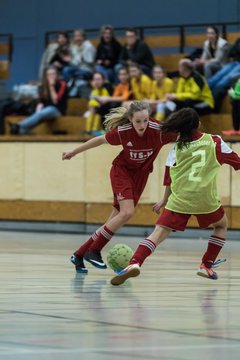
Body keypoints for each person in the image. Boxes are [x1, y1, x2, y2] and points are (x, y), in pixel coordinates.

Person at [111, 107, 240, 286]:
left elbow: (168, 178)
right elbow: (237, 162)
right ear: (199, 124)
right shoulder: (214, 141)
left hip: (180, 199)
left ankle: (134, 263)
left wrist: (164, 200)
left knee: (158, 234)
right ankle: (206, 264)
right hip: (206, 200)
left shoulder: (176, 148)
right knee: (221, 225)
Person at [62, 100, 177, 273]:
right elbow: (100, 140)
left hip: (141, 175)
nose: (142, 125)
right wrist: (73, 152)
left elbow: (186, 136)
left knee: (114, 219)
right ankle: (94, 250)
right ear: (130, 119)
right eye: (138, 121)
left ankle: (78, 254)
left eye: (145, 120)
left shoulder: (159, 131)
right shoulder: (124, 132)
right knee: (127, 212)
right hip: (121, 171)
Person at [9, 66, 68, 135]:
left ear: (56, 75)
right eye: (49, 74)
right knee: (40, 115)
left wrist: (51, 86)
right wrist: (38, 111)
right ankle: (21, 131)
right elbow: (41, 102)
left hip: (58, 110)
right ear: (46, 76)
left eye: (53, 74)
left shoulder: (62, 84)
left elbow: (55, 101)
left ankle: (18, 125)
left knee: (45, 111)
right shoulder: (43, 86)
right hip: (45, 110)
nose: (51, 76)